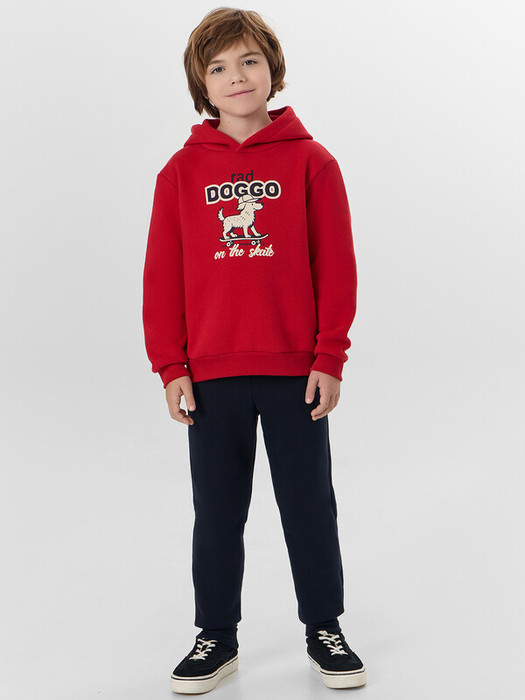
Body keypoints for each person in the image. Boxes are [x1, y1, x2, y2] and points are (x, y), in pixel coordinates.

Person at [142, 7, 367, 694]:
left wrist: (329, 356)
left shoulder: (311, 162)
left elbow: (336, 267)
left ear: (272, 69)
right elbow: (162, 276)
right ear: (201, 85)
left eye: (248, 61)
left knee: (308, 505)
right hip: (211, 376)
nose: (236, 76)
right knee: (217, 512)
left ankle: (324, 626)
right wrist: (171, 365)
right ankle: (216, 634)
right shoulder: (180, 173)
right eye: (218, 67)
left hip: (294, 373)